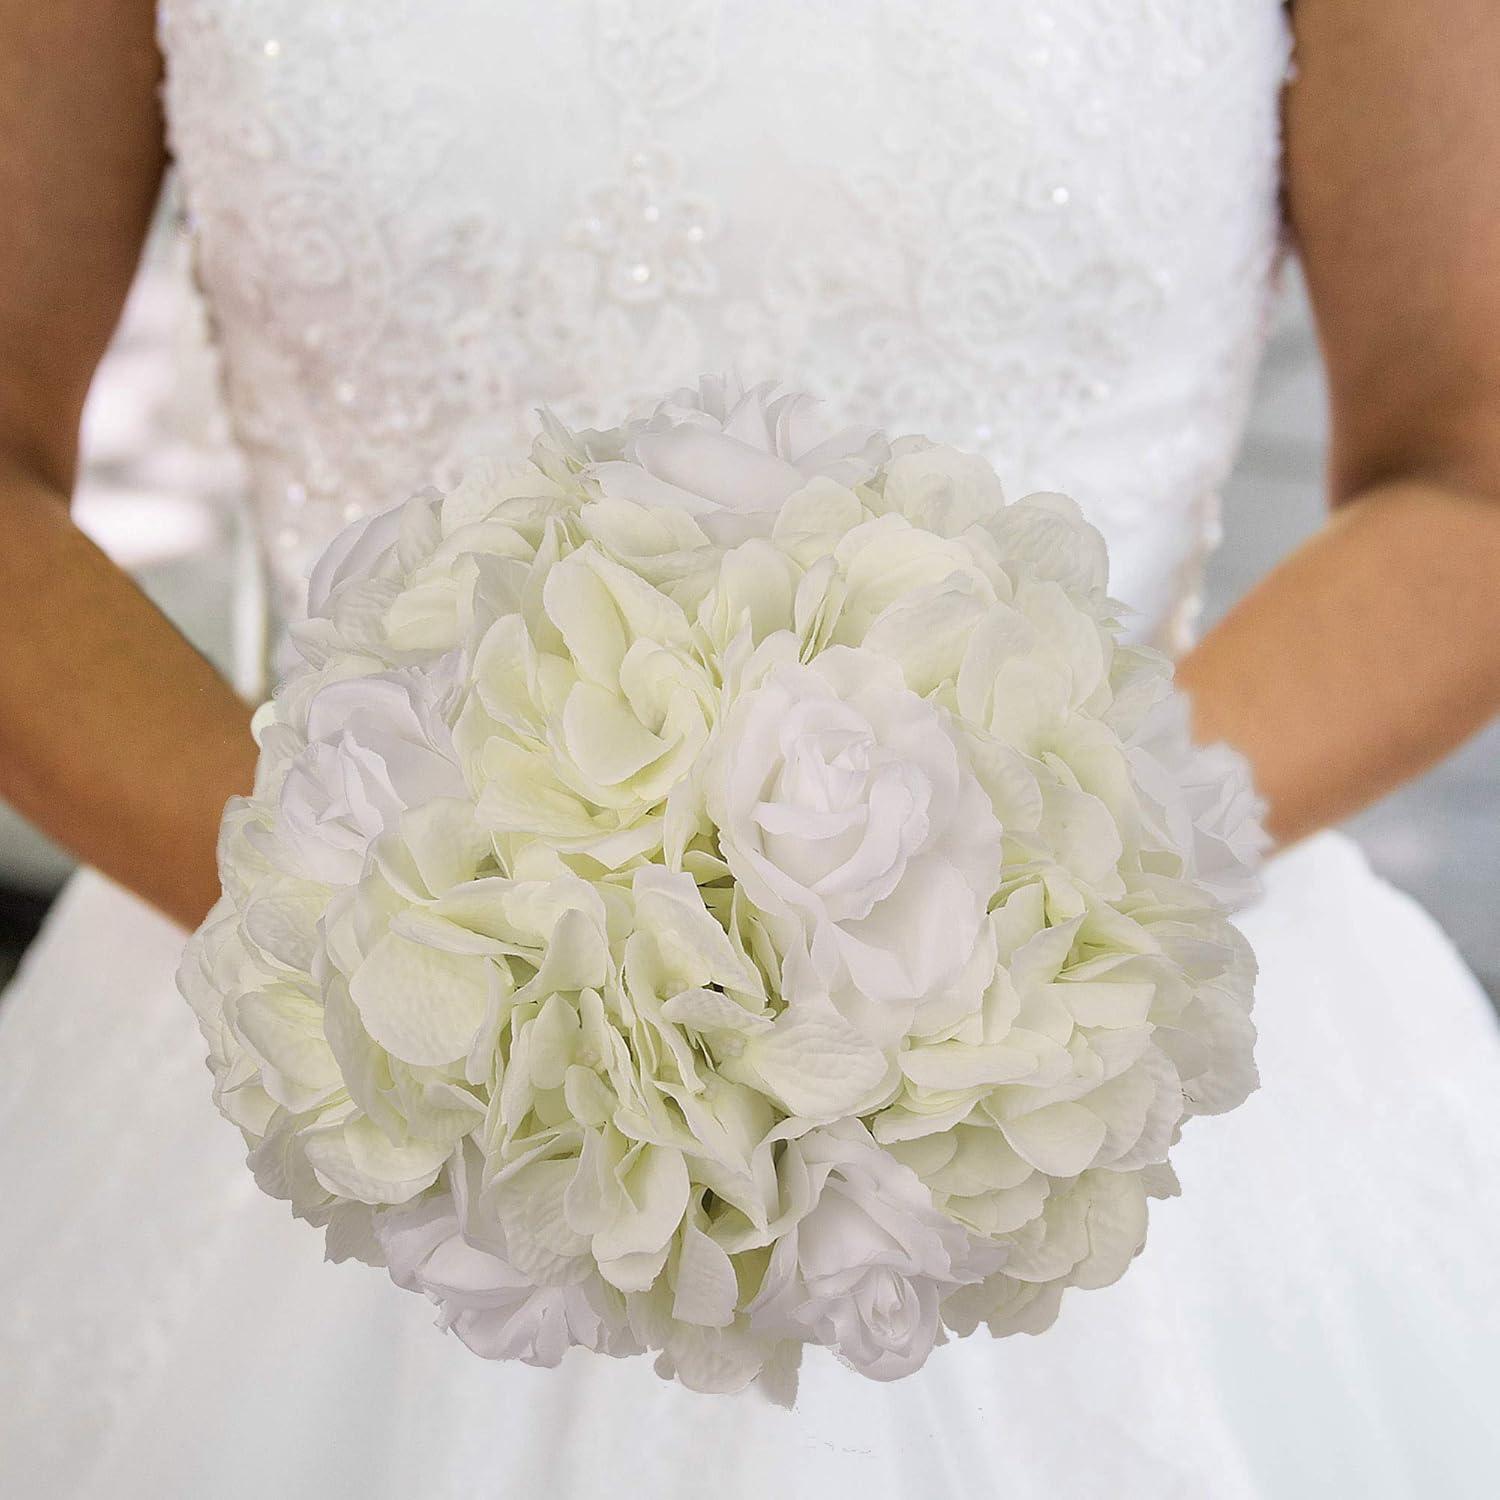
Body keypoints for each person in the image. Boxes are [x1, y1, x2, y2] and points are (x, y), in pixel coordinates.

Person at [1, 2, 1498, 1496]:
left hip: (1077, 1058)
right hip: (321, 1038)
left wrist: (1040, 918)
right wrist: (382, 953)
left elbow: (1469, 473)